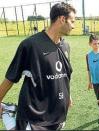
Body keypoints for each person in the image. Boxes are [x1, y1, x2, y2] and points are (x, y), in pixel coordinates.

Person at [0, 2, 76, 130]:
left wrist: (68, 96)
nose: (73, 26)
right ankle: (7, 114)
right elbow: (11, 77)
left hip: (58, 115)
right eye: (72, 21)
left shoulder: (65, 46)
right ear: (62, 19)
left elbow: (64, 75)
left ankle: (8, 113)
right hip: (35, 115)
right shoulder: (30, 45)